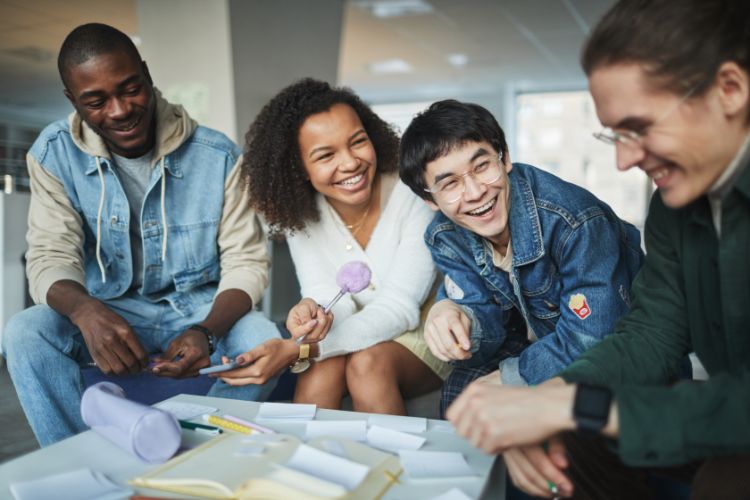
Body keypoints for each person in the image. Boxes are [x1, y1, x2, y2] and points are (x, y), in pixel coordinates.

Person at [445, 0, 750, 498]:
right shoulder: (675, 206)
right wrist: (542, 406)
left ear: (730, 90)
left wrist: (569, 407)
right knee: (570, 437)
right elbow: (652, 333)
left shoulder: (574, 219)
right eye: (614, 134)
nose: (625, 159)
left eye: (640, 128)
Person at [1, 23, 280, 447]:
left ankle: (202, 450)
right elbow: (48, 256)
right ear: (72, 100)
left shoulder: (217, 156)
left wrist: (205, 332)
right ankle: (82, 461)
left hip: (198, 311)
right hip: (106, 309)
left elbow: (246, 263)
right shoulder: (52, 154)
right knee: (24, 332)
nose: (118, 110)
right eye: (95, 101)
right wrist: (86, 312)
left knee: (264, 338)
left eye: (130, 88)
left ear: (147, 74)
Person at [217, 78, 450, 414]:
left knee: (365, 366)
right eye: (326, 155)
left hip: (424, 330)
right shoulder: (301, 215)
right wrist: (315, 313)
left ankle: (389, 466)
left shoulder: (412, 194)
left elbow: (399, 307)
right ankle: (305, 463)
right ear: (299, 168)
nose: (350, 163)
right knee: (321, 367)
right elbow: (329, 295)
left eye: (357, 142)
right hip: (362, 328)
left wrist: (299, 349)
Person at [399, 99, 644, 416]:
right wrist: (453, 314)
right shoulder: (445, 237)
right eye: (450, 184)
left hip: (619, 352)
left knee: (541, 410)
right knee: (461, 393)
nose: (475, 192)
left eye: (482, 166)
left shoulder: (575, 221)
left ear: (505, 159)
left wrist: (512, 378)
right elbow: (486, 334)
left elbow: (593, 338)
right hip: (536, 339)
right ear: (429, 199)